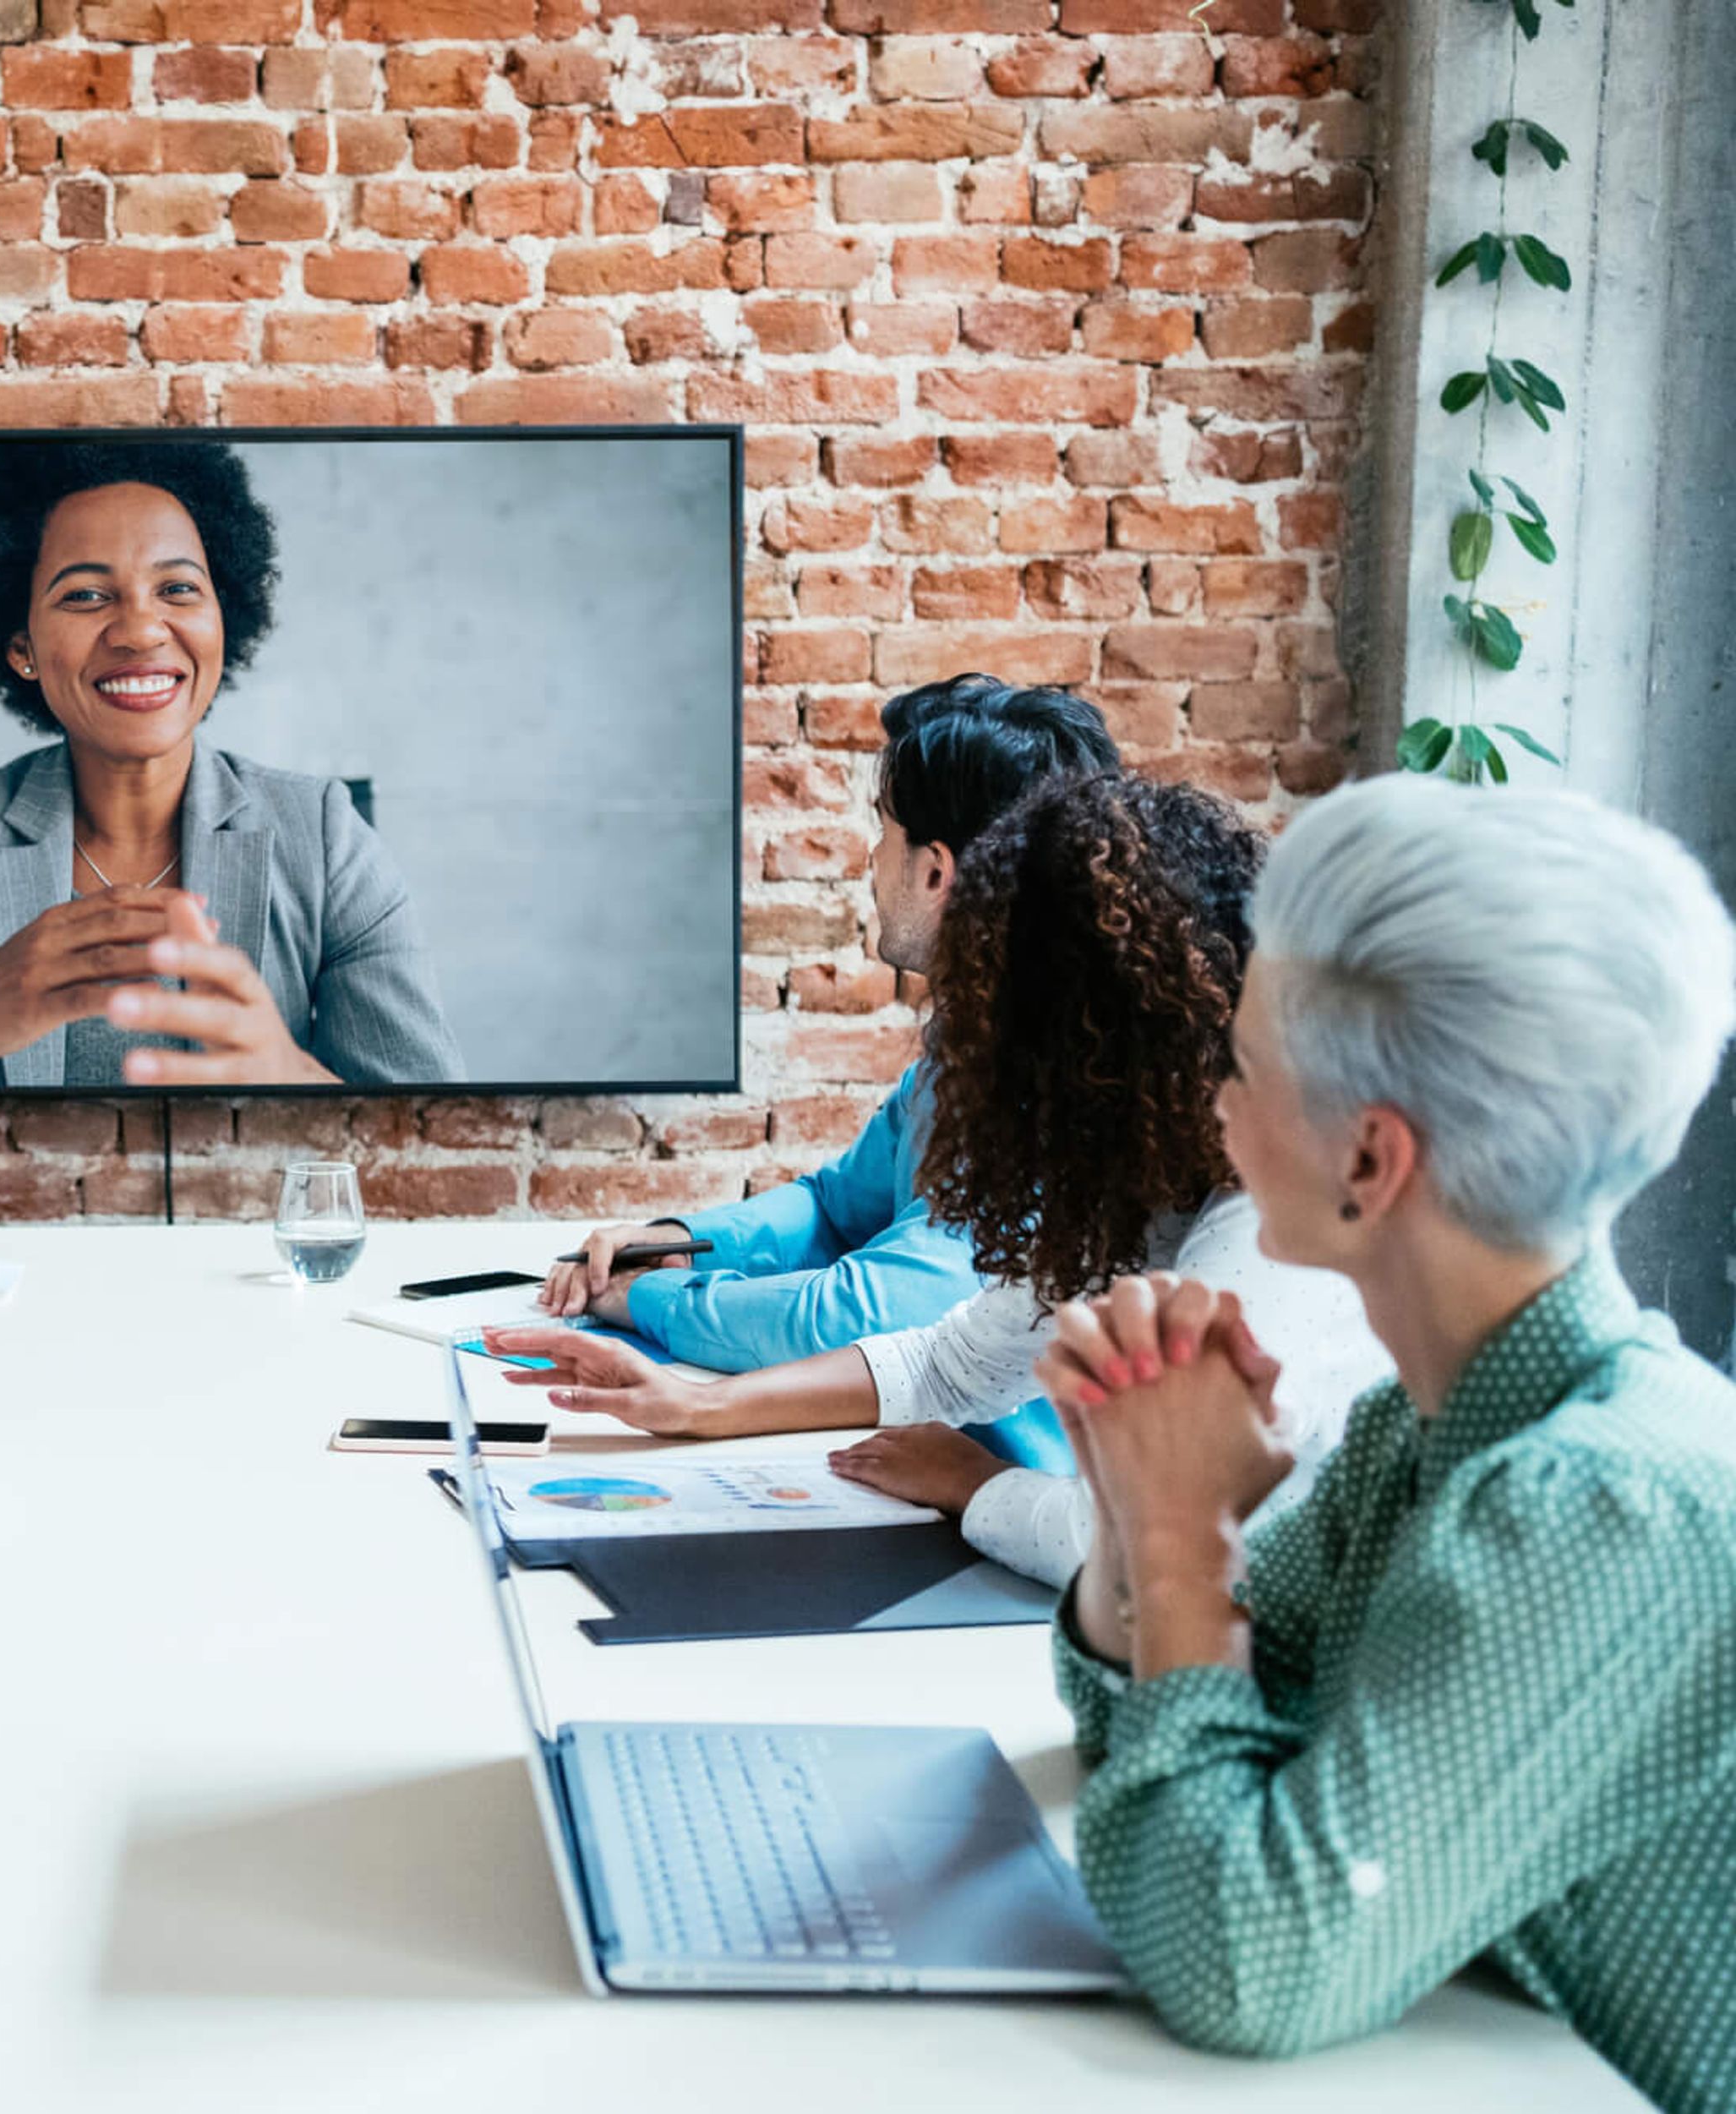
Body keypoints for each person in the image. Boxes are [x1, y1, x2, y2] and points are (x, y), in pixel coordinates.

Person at [1026, 777, 1736, 2103]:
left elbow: (1243, 1961)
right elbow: (1157, 1746)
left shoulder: (1595, 1502)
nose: (1217, 1105)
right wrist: (1131, 1490)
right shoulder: (1425, 1435)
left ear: (1371, 1160)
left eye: (1240, 1065)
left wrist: (1187, 1547)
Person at [489, 773, 1390, 1587]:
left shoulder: (1274, 1237)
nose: (972, 1058)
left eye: (998, 1028)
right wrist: (697, 1404)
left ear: (1091, 1046)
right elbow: (959, 1358)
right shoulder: (1150, 1182)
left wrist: (975, 1482)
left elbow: (1127, 1550)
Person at [0, 438, 465, 1090]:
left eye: (178, 589)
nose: (140, 630)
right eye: (85, 595)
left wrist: (286, 1072)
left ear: (225, 619)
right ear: (21, 644)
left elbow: (437, 1139)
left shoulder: (324, 834)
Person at [541, 676, 1122, 1423]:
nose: (870, 860)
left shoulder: (1052, 1086)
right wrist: (673, 1241)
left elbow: (861, 1315)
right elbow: (835, 1207)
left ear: (937, 870)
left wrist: (647, 1299)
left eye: (884, 830)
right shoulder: (968, 1046)